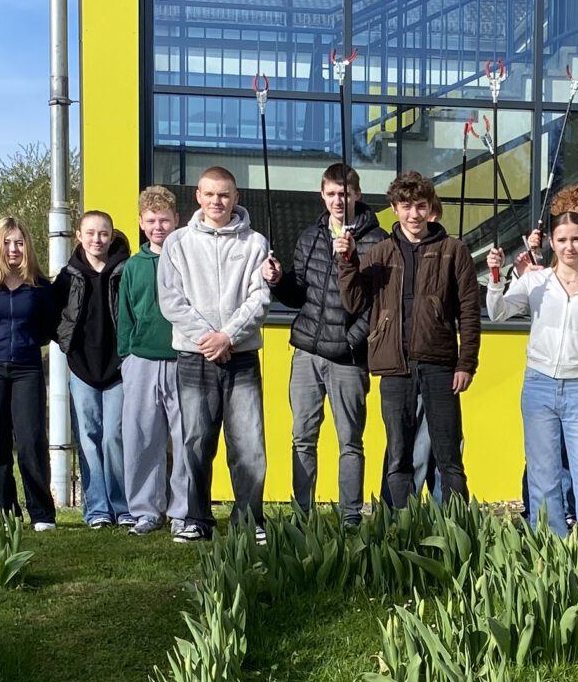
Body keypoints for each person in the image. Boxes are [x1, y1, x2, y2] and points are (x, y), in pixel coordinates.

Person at [339, 169, 479, 508]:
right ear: (394, 208)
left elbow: (470, 312)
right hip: (394, 367)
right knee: (398, 456)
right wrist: (346, 262)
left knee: (449, 455)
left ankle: (456, 528)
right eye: (405, 206)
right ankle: (400, 528)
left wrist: (466, 363)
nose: (413, 214)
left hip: (441, 365)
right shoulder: (381, 253)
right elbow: (355, 302)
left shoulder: (453, 251)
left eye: (420, 206)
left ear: (430, 207)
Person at [489, 204, 578, 557]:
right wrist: (498, 277)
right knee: (543, 481)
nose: (569, 246)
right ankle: (553, 557)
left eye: (576, 239)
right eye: (562, 239)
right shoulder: (535, 281)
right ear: (551, 242)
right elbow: (498, 313)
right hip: (539, 386)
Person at [159, 165, 273, 542]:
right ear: (198, 196)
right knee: (194, 441)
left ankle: (249, 519)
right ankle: (196, 519)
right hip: (195, 356)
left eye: (224, 194)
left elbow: (260, 298)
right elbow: (171, 301)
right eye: (210, 194)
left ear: (236, 198)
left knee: (249, 444)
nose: (217, 201)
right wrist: (209, 338)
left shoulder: (256, 243)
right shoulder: (177, 243)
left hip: (241, 357)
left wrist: (229, 336)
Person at [271, 162, 384, 525]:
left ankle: (350, 516)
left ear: (357, 195)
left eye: (345, 194)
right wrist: (277, 281)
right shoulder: (310, 235)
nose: (338, 200)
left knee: (350, 440)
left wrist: (351, 341)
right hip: (306, 350)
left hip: (349, 358)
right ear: (322, 194)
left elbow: (378, 304)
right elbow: (299, 293)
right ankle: (302, 515)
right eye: (332, 193)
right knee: (303, 435)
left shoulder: (376, 241)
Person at [0, 215, 58, 530]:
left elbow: (47, 331)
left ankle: (42, 515)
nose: (13, 249)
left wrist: (26, 340)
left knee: (32, 441)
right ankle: (5, 513)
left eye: (19, 242)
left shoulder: (41, 287)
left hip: (27, 369)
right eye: (7, 243)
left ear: (27, 246)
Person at [117, 186, 189, 539]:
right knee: (141, 438)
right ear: (141, 223)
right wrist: (126, 356)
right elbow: (126, 314)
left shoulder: (187, 259)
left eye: (164, 220)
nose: (158, 226)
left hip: (182, 358)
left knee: (186, 438)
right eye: (151, 221)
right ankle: (146, 511)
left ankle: (183, 511)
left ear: (177, 220)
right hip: (141, 360)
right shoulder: (133, 265)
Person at [53, 208, 129, 529]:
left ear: (111, 237)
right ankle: (97, 509)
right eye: (91, 233)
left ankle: (122, 507)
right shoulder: (68, 276)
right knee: (88, 438)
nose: (97, 239)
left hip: (119, 368)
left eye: (103, 233)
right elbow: (52, 316)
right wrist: (66, 344)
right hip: (82, 369)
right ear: (79, 236)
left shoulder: (126, 270)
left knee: (114, 436)